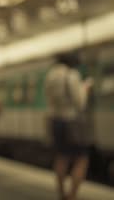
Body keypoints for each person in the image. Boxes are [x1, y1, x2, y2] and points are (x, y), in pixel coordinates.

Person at [44, 52, 92, 200]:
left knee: (61, 158)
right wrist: (85, 88)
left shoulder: (50, 76)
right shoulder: (72, 75)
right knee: (81, 159)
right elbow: (80, 103)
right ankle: (72, 195)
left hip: (54, 121)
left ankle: (61, 194)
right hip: (71, 121)